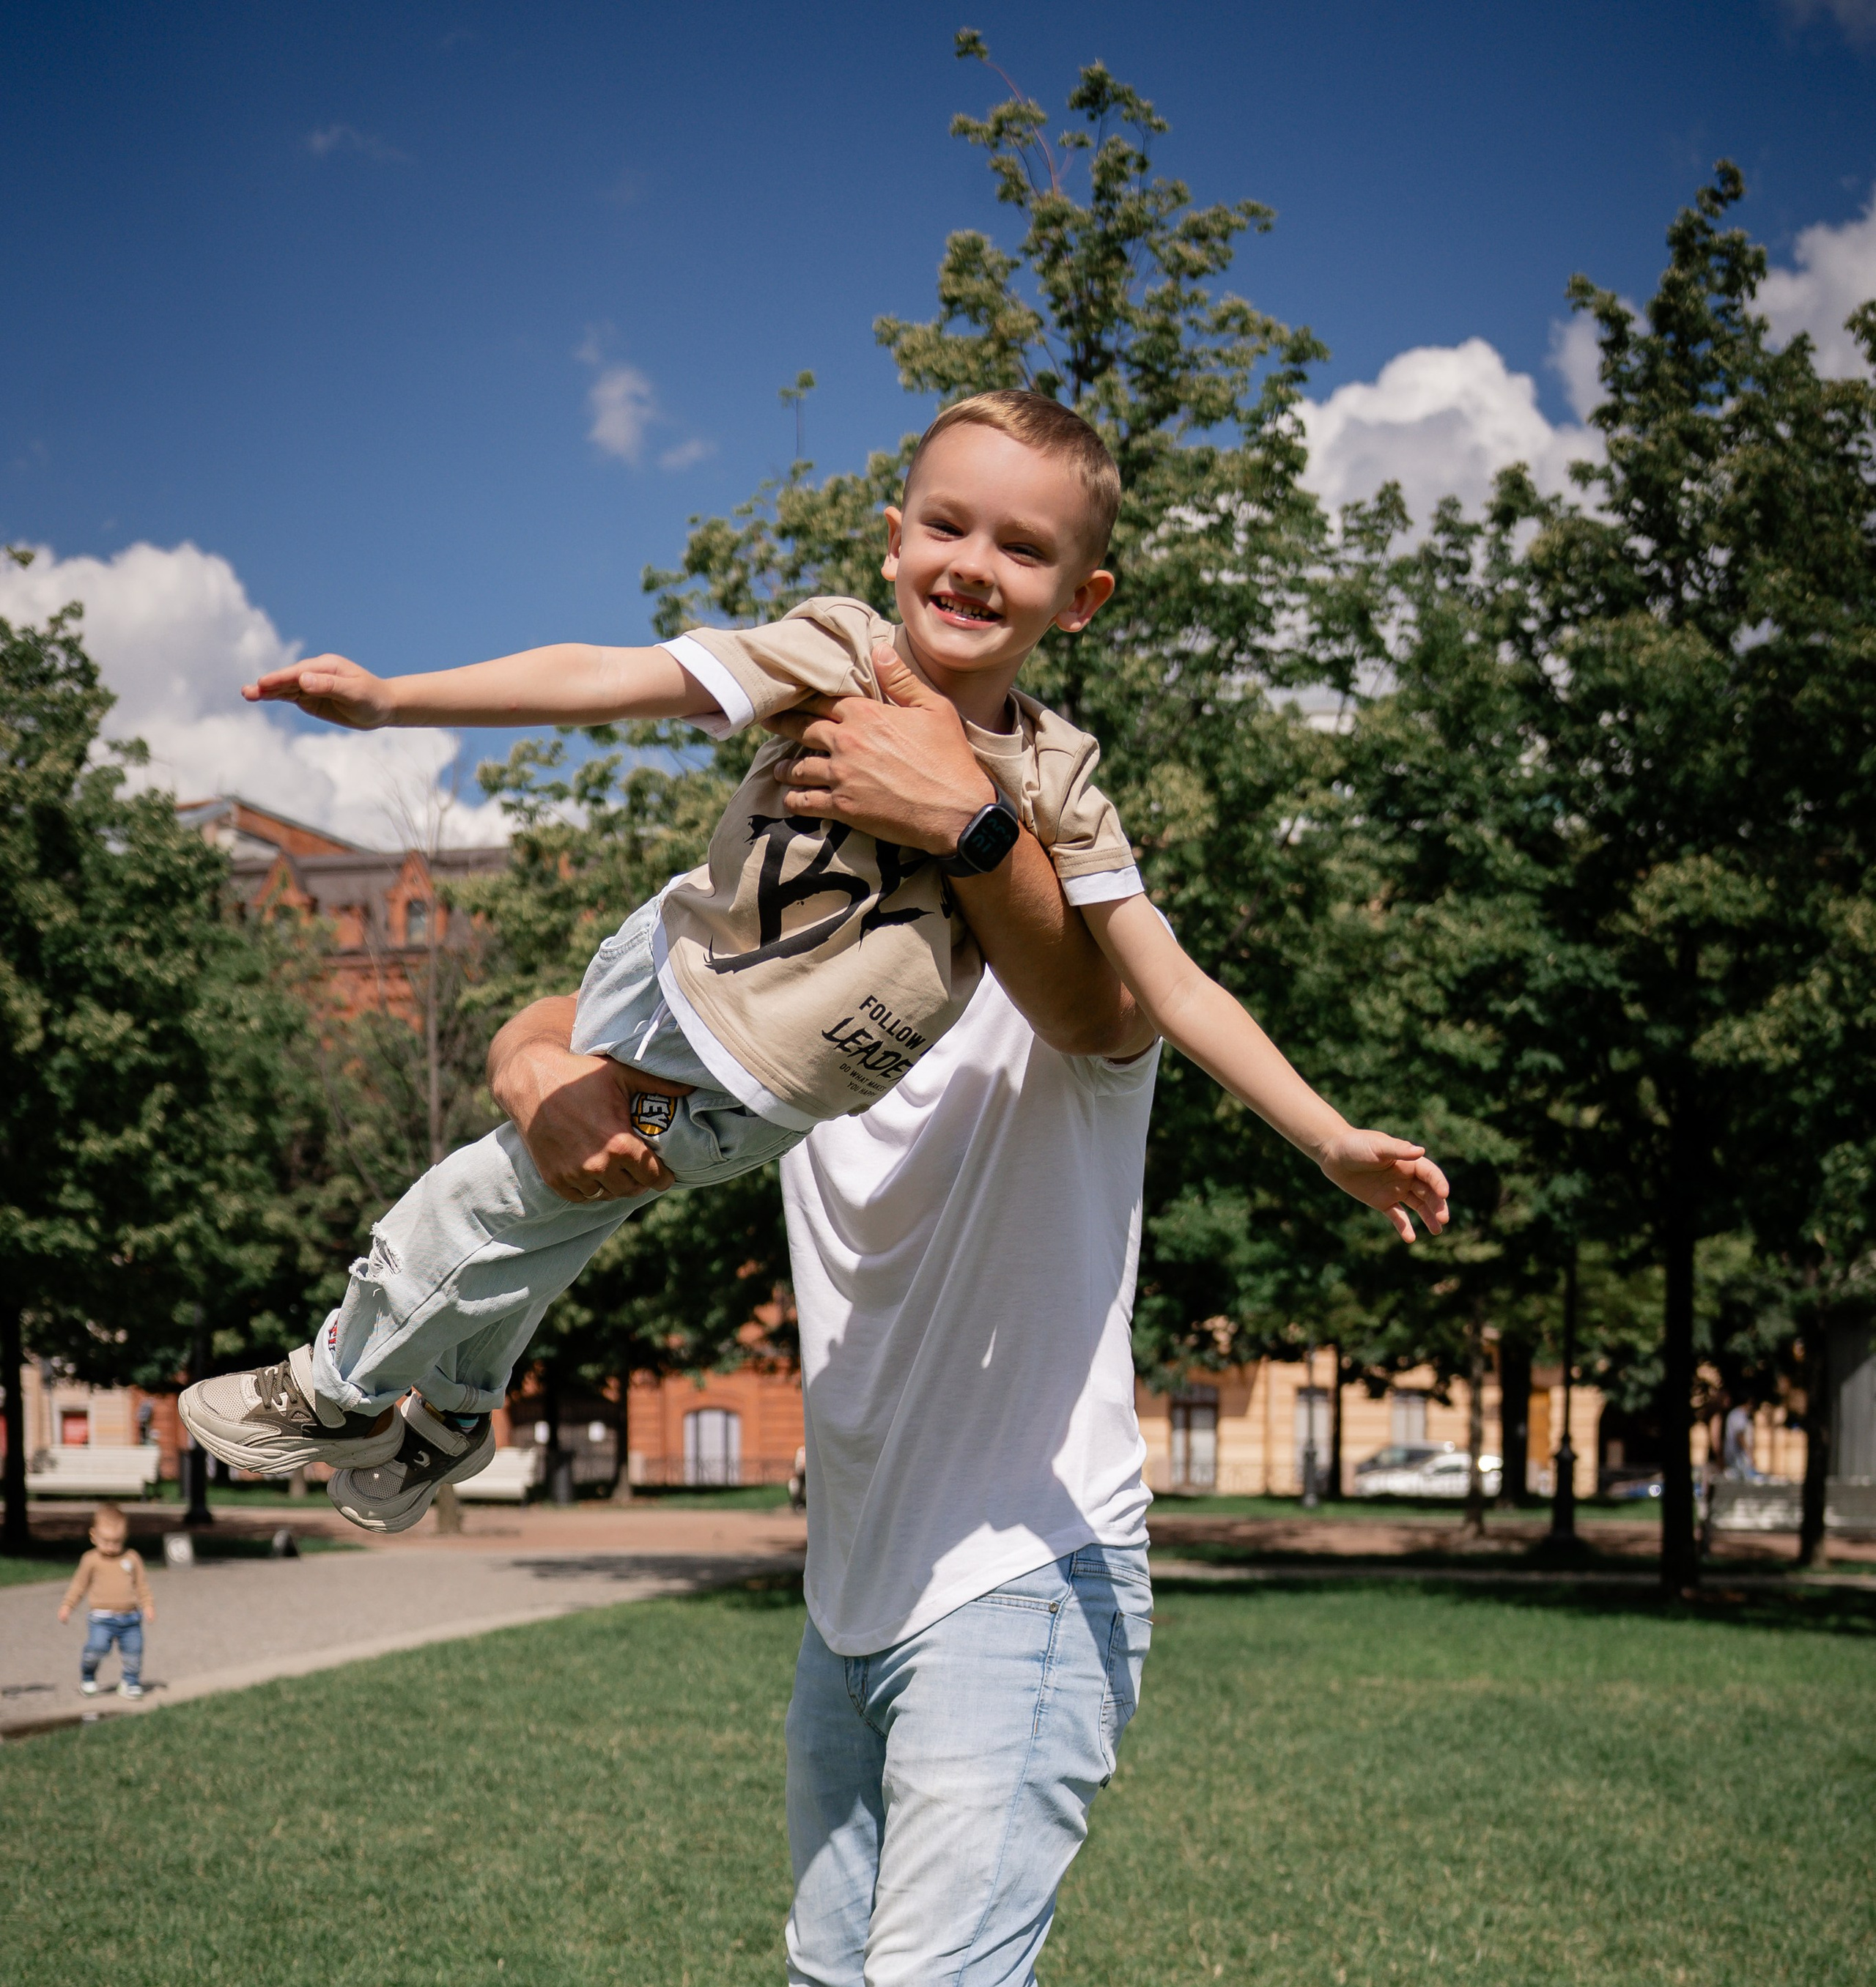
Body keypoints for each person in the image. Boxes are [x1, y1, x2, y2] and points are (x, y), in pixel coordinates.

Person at [486, 649, 1450, 1987]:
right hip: (860, 1586)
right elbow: (557, 1033)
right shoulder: (808, 1021)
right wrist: (531, 1075)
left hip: (1032, 1572)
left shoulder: (1062, 987)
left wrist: (996, 830)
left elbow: (1126, 988)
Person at [179, 391, 1445, 1531]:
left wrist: (1325, 1136)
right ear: (894, 538)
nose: (974, 566)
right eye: (949, 527)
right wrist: (399, 700)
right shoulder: (842, 651)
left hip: (753, 1075)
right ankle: (449, 1416)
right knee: (549, 1205)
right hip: (659, 967)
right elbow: (618, 678)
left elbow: (1168, 988)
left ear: (1083, 596)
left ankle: (337, 1385)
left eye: (1023, 547)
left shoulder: (1058, 781)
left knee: (488, 1197)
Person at [57, 1503, 155, 1699]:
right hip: (101, 1618)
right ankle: (88, 1675)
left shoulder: (132, 1558)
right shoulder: (91, 1560)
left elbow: (141, 1585)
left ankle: (130, 1681)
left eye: (117, 1542)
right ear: (94, 1536)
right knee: (97, 1648)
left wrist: (148, 1605)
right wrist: (67, 1606)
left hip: (130, 1618)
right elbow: (79, 1586)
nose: (111, 1547)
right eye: (106, 1541)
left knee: (134, 1652)